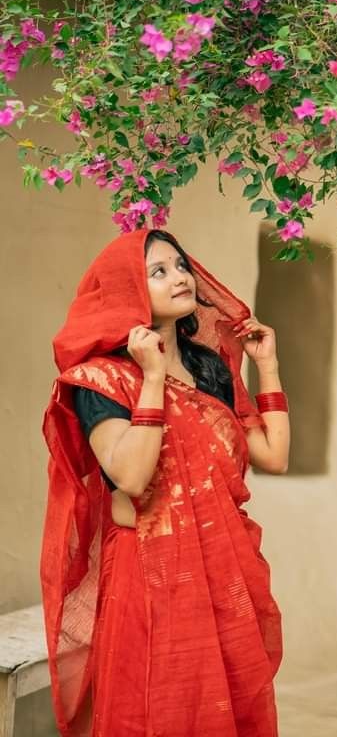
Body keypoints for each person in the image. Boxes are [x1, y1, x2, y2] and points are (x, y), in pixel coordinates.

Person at [41, 228, 289, 737]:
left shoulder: (208, 369)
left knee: (230, 706)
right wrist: (152, 378)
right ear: (129, 289)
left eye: (179, 266)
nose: (179, 277)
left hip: (222, 565)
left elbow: (273, 455)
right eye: (158, 272)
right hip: (147, 571)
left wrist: (268, 368)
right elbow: (131, 476)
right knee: (157, 711)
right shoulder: (102, 380)